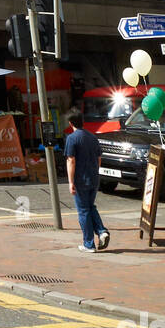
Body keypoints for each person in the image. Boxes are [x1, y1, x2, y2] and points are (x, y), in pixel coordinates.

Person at [64, 108, 109, 253]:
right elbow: (99, 158)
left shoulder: (72, 138)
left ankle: (89, 244)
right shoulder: (93, 137)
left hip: (80, 179)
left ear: (71, 123)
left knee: (83, 210)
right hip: (94, 178)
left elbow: (71, 160)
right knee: (90, 207)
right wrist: (96, 172)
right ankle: (102, 231)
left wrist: (71, 182)